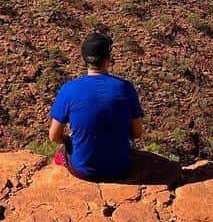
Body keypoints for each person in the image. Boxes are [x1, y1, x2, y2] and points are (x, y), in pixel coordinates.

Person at [48, 31, 144, 181]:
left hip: (82, 170)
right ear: (108, 59)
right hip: (120, 169)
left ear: (84, 60)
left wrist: (68, 140)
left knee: (62, 151)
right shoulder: (125, 87)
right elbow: (137, 133)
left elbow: (54, 136)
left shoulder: (69, 89)